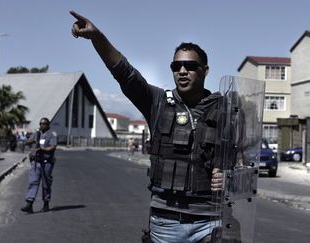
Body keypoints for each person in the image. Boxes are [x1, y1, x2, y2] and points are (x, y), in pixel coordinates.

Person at [71, 11, 224, 242]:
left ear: (205, 70)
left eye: (190, 65)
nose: (182, 71)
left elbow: (242, 161)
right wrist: (97, 37)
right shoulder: (158, 102)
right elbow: (125, 73)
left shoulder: (223, 109)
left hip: (208, 222)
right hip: (166, 223)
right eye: (176, 65)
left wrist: (228, 175)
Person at [21, 117, 57, 213]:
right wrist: (31, 141)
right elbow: (27, 142)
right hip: (36, 162)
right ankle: (29, 204)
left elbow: (53, 147)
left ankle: (46, 204)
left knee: (46, 184)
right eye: (41, 123)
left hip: (46, 163)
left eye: (44, 123)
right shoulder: (36, 134)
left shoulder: (52, 134)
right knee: (33, 182)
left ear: (48, 125)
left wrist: (43, 149)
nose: (42, 125)